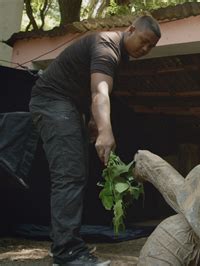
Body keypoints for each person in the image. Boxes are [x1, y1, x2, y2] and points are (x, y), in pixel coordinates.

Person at [29, 15, 161, 265]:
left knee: (76, 172)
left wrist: (92, 120)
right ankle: (66, 252)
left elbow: (94, 89)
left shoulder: (120, 57)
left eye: (150, 47)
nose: (145, 49)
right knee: (70, 173)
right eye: (143, 41)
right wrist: (105, 130)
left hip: (67, 105)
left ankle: (64, 244)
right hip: (51, 101)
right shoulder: (106, 47)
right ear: (130, 29)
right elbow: (99, 93)